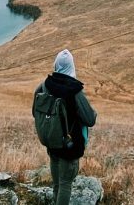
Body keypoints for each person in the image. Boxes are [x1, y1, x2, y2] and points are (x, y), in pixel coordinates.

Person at [33, 49, 97, 205]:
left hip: (52, 143)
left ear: (56, 65)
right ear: (72, 67)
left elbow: (35, 112)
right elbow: (90, 120)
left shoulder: (44, 85)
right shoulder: (75, 91)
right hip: (70, 145)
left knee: (57, 183)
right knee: (65, 184)